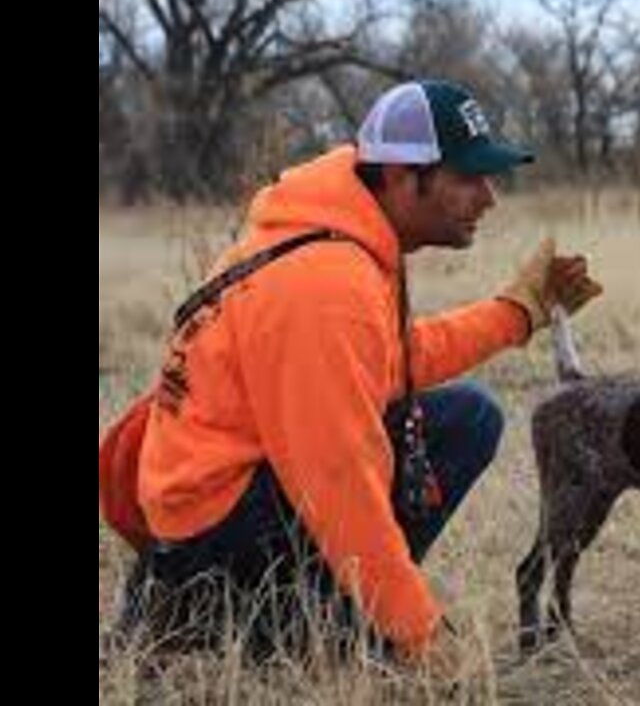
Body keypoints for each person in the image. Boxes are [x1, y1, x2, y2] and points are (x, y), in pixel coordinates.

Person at [99, 79, 602, 673]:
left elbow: (391, 363)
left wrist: (516, 314)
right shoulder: (327, 284)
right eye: (468, 177)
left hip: (205, 512)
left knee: (467, 416)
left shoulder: (336, 242)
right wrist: (423, 637)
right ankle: (261, 623)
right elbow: (342, 484)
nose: (489, 197)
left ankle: (317, 615)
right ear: (400, 176)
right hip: (211, 542)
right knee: (442, 434)